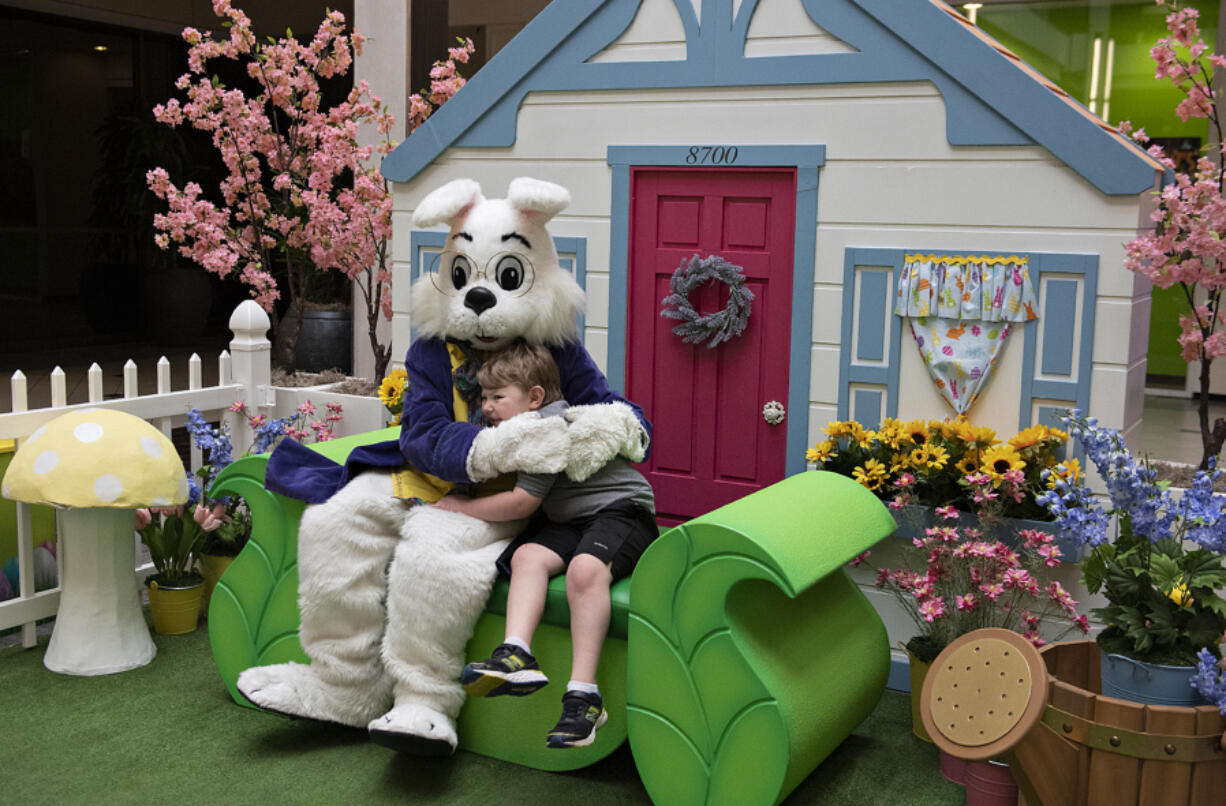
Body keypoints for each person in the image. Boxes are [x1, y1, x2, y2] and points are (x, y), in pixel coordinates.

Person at [433, 341, 656, 749]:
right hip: (570, 519)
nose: (487, 407)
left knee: (585, 570)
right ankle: (515, 653)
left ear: (534, 398)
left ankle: (584, 697)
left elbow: (522, 502)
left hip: (622, 512)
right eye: (483, 397)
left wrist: (460, 506)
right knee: (527, 556)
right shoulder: (524, 429)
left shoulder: (544, 429)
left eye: (498, 397)